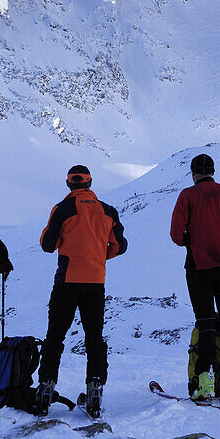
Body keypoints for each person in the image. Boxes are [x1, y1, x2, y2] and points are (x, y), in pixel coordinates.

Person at [37, 164, 127, 417]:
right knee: (94, 338)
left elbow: (47, 244)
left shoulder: (62, 209)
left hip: (66, 280)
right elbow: (120, 246)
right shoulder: (108, 211)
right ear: (90, 183)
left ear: (69, 184)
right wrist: (99, 256)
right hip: (95, 282)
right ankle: (95, 388)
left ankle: (46, 386)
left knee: (55, 336)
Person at [170, 153, 220, 400]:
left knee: (206, 323)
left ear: (194, 174)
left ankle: (205, 382)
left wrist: (191, 241)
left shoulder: (187, 196)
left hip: (199, 267)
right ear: (213, 171)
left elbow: (175, 234)